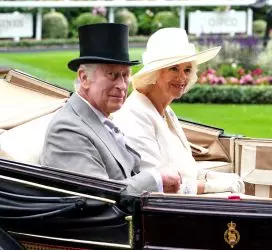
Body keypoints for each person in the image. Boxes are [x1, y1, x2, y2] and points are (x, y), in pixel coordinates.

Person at [41, 23, 181, 194]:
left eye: (125, 75)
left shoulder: (101, 119)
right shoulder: (67, 129)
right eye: (112, 75)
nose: (122, 85)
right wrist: (156, 179)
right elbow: (99, 195)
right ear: (84, 78)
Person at [113, 28, 245, 195]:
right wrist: (214, 186)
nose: (182, 77)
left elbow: (186, 170)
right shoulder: (134, 116)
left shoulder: (166, 111)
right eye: (174, 68)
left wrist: (216, 177)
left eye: (187, 69)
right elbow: (158, 187)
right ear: (155, 73)